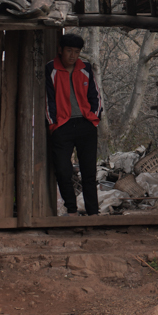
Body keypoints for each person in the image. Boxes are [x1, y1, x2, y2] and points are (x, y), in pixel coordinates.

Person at [46, 33, 103, 216]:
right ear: (60, 50)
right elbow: (48, 100)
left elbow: (96, 95)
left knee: (89, 172)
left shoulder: (85, 68)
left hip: (86, 124)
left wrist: (94, 118)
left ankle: (93, 213)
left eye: (76, 52)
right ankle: (71, 210)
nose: (72, 55)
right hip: (62, 126)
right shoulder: (51, 69)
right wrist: (54, 123)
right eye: (69, 51)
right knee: (63, 170)